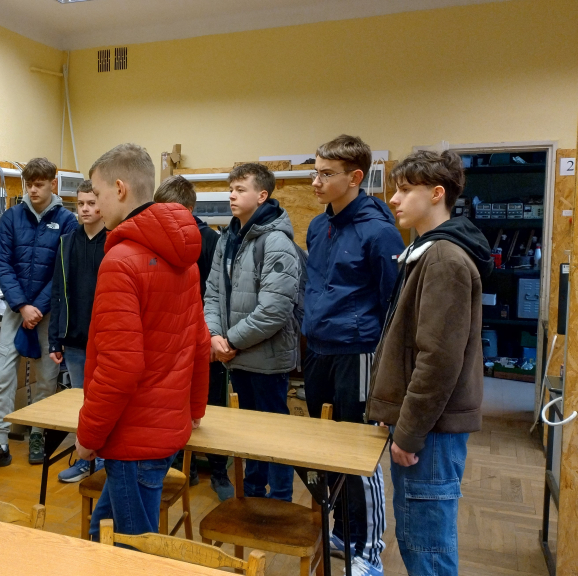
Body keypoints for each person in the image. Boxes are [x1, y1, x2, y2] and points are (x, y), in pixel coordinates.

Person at [74, 143, 210, 541]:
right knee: (101, 533)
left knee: (134, 552)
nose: (95, 205)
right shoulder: (183, 258)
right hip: (165, 430)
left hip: (133, 439)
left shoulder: (121, 262)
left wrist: (87, 437)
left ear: (119, 189)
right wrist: (194, 410)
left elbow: (120, 367)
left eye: (97, 194)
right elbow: (198, 343)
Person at [365, 150, 492, 575]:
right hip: (425, 426)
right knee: (420, 539)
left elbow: (437, 360)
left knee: (427, 549)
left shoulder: (444, 259)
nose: (394, 199)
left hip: (431, 431)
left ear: (437, 194)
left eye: (405, 190)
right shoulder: (427, 251)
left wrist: (409, 431)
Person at [302, 135, 404, 576]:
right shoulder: (317, 226)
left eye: (326, 174)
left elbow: (392, 305)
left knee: (358, 452)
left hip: (357, 353)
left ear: (355, 177)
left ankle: (369, 549)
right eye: (315, 172)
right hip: (317, 350)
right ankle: (343, 530)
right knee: (327, 449)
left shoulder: (379, 232)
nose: (316, 182)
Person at [203, 163, 300, 502]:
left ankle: (281, 500)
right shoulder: (227, 238)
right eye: (230, 188)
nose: (231, 195)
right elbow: (212, 293)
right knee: (249, 434)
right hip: (237, 357)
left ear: (262, 195)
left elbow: (274, 309)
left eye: (240, 189)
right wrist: (214, 335)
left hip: (266, 361)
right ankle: (254, 497)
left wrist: (229, 341)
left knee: (274, 434)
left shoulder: (276, 242)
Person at [0, 157, 78, 473]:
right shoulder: (11, 218)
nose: (33, 190)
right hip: (15, 311)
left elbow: (64, 269)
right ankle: (1, 442)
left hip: (48, 313)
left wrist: (38, 308)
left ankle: (37, 433)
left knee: (46, 377)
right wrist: (22, 305)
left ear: (53, 184)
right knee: (4, 375)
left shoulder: (67, 221)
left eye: (39, 184)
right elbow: (2, 262)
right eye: (29, 185)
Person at [154, 175, 234, 501]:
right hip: (173, 341)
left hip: (203, 337)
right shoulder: (159, 242)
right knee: (175, 406)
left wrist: (211, 335)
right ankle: (184, 470)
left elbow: (217, 295)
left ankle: (219, 471)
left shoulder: (211, 241)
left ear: (188, 210)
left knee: (210, 405)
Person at [48, 179, 107, 483]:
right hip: (74, 341)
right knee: (84, 403)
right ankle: (85, 460)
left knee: (105, 402)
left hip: (105, 341)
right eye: (80, 204)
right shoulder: (67, 242)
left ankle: (108, 461)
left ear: (102, 205)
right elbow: (58, 292)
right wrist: (54, 339)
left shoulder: (115, 241)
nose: (85, 209)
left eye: (91, 203)